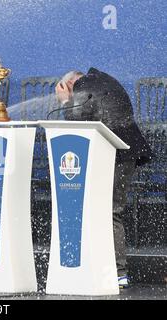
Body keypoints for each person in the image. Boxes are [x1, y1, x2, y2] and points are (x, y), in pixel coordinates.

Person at [55, 68, 153, 289]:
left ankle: (118, 272)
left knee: (110, 211)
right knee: (108, 210)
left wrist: (63, 102)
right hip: (121, 154)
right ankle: (105, 267)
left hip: (115, 154)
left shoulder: (82, 86)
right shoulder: (100, 80)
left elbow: (76, 122)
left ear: (68, 85)